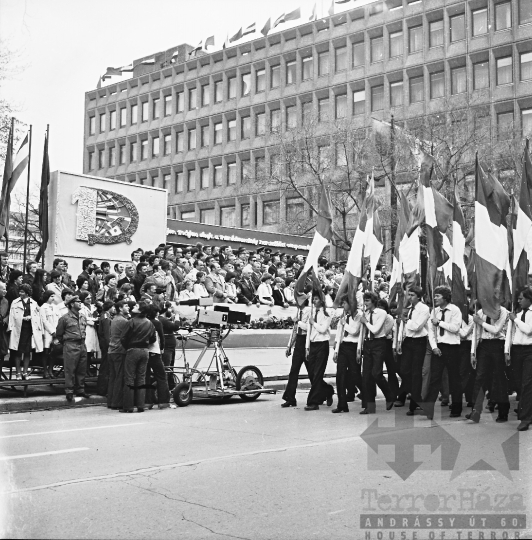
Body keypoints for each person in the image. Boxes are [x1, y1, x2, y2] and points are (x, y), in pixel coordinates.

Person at [467, 300, 510, 423]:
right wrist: (473, 353)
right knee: (479, 377)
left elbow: (496, 330)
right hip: (484, 345)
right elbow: (476, 333)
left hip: (498, 344)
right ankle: (475, 411)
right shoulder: (480, 312)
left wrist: (480, 322)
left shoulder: (502, 311)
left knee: (499, 378)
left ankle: (503, 412)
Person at [424, 286, 463, 420]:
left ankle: (456, 409)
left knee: (454, 379)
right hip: (439, 348)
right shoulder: (434, 311)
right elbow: (431, 332)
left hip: (452, 348)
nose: (435, 298)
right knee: (434, 379)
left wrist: (439, 322)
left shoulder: (455, 310)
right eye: (435, 296)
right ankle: (429, 409)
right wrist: (434, 347)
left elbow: (455, 328)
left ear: (445, 297)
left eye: (438, 296)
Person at [359, 291, 396, 414]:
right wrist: (360, 348)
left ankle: (389, 395)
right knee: (366, 377)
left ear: (373, 301)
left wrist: (365, 322)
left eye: (368, 301)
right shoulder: (366, 313)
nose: (365, 303)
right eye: (364, 301)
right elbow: (363, 332)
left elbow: (375, 329)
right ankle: (369, 406)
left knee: (376, 373)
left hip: (379, 343)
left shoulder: (381, 313)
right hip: (368, 344)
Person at [396, 286, 430, 411]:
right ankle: (414, 394)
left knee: (416, 372)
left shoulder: (424, 309)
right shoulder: (409, 308)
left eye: (412, 295)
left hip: (419, 342)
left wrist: (407, 320)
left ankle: (415, 401)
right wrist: (400, 340)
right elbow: (404, 328)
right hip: (408, 341)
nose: (410, 297)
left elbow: (417, 326)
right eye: (408, 295)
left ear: (419, 296)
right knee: (403, 369)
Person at [120, 302, 156, 413]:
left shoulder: (131, 321)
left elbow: (123, 338)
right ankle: (140, 405)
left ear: (140, 310)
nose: (133, 307)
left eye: (136, 306)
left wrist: (128, 346)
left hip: (133, 349)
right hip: (145, 350)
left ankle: (128, 406)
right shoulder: (149, 323)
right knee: (141, 378)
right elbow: (153, 339)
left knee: (130, 378)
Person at [506, 288, 532, 431]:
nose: (518, 301)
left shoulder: (521, 316)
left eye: (521, 298)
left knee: (527, 383)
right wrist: (507, 350)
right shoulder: (518, 314)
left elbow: (528, 330)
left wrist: (514, 319)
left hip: (529, 350)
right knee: (519, 382)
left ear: (529, 298)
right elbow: (512, 334)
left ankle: (525, 418)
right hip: (517, 350)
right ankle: (526, 410)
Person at [56, 295, 90, 401]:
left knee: (82, 369)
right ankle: (69, 391)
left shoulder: (83, 316)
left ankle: (80, 389)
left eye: (80, 301)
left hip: (82, 344)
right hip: (71, 344)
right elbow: (59, 334)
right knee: (70, 369)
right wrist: (67, 342)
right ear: (71, 304)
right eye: (77, 301)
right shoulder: (65, 318)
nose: (80, 303)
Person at [332, 295, 363, 413]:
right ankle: (342, 404)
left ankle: (366, 394)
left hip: (354, 346)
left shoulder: (359, 316)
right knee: (340, 374)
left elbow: (355, 331)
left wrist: (345, 324)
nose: (343, 306)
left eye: (345, 303)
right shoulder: (344, 316)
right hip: (343, 346)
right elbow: (339, 332)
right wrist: (336, 350)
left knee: (355, 374)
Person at [304, 293, 334, 411]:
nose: (314, 301)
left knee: (317, 373)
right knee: (312, 373)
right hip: (313, 345)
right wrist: (307, 348)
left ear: (321, 300)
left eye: (316, 299)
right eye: (313, 299)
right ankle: (327, 390)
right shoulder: (312, 313)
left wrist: (313, 323)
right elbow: (309, 332)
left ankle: (313, 402)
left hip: (322, 344)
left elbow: (322, 329)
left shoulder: (327, 313)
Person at [281, 294, 312, 408]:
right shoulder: (298, 312)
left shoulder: (309, 311)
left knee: (312, 372)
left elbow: (308, 327)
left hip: (306, 342)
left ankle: (324, 392)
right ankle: (290, 398)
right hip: (299, 342)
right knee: (294, 371)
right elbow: (295, 330)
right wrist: (290, 345)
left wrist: (298, 322)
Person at [8, 283, 43, 380]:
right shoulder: (15, 302)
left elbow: (38, 316)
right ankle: (18, 372)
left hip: (29, 330)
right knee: (18, 352)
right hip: (19, 330)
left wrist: (31, 317)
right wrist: (21, 318)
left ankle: (25, 372)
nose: (20, 293)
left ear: (27, 293)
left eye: (22, 292)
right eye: (20, 291)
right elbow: (12, 317)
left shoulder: (34, 303)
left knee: (27, 352)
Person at [145, 304, 171, 409]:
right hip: (155, 351)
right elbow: (161, 337)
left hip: (144, 351)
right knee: (161, 376)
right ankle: (163, 401)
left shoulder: (145, 322)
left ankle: (147, 401)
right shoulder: (157, 323)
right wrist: (162, 348)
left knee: (146, 377)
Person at [107, 300, 130, 410]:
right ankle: (116, 402)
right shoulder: (123, 321)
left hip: (112, 350)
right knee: (119, 377)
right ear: (120, 308)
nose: (128, 307)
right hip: (119, 351)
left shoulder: (114, 319)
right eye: (126, 306)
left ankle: (111, 401)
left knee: (113, 377)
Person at [40, 290, 59, 378]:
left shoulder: (55, 307)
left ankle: (51, 370)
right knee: (46, 352)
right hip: (47, 332)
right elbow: (44, 321)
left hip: (56, 331)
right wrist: (52, 331)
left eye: (53, 296)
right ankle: (45, 370)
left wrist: (57, 331)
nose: (53, 298)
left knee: (53, 352)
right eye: (51, 296)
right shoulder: (43, 308)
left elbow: (58, 319)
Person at [0, 282, 9, 370]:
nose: (5, 291)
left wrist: (6, 319)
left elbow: (8, 314)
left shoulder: (5, 301)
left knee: (2, 352)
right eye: (3, 289)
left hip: (2, 331)